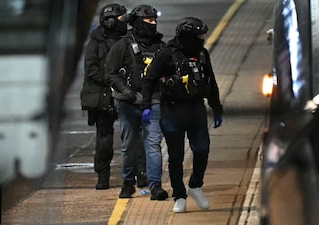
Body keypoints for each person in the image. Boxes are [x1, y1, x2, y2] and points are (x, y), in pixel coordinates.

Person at [140, 17, 223, 212]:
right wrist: (146, 106)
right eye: (199, 35)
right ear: (188, 36)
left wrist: (216, 107)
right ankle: (179, 195)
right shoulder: (166, 54)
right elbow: (149, 79)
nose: (202, 39)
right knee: (175, 156)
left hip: (196, 110)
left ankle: (195, 185)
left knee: (202, 149)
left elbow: (210, 81)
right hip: (172, 112)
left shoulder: (202, 54)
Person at [104, 5, 168, 200]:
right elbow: (110, 73)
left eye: (154, 21)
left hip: (153, 102)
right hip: (127, 103)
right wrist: (125, 91)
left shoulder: (161, 46)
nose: (153, 24)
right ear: (138, 22)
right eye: (148, 21)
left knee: (153, 144)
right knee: (129, 144)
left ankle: (155, 185)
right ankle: (127, 183)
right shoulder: (122, 45)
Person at [80, 3, 127, 190]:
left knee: (133, 136)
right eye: (122, 19)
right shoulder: (95, 44)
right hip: (103, 97)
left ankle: (138, 175)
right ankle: (103, 176)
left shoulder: (127, 41)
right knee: (104, 138)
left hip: (123, 94)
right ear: (110, 22)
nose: (125, 22)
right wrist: (114, 81)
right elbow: (91, 70)